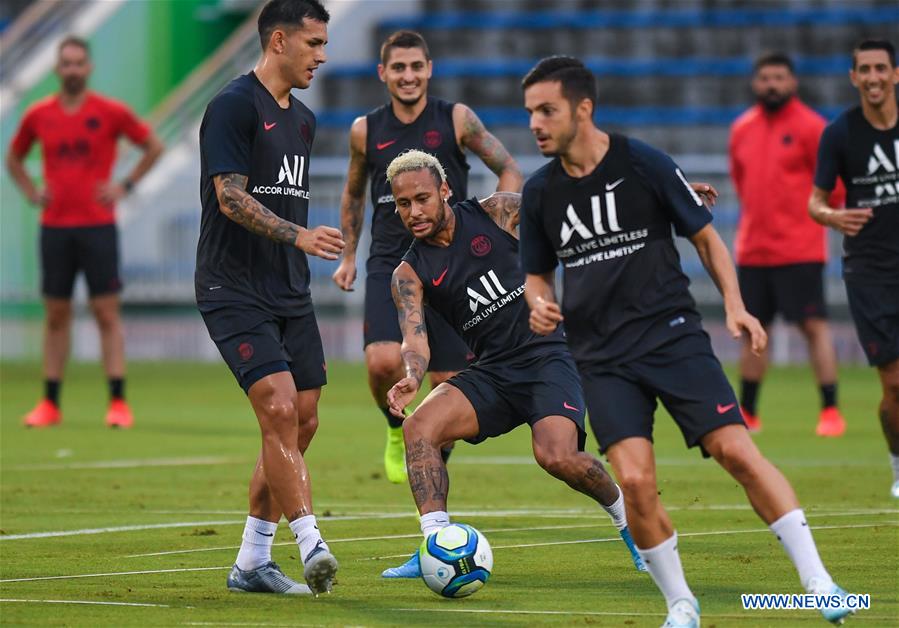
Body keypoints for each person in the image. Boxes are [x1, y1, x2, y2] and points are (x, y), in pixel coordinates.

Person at [518, 56, 851, 627]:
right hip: (600, 358)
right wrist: (539, 304)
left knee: (736, 453)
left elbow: (706, 239)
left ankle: (819, 581)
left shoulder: (643, 162)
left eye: (547, 110)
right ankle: (681, 603)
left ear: (583, 108)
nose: (535, 123)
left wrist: (736, 305)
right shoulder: (540, 192)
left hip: (672, 338)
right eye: (530, 113)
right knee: (636, 480)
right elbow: (537, 273)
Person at [378, 149, 644, 579]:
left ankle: (632, 523)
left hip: (548, 356)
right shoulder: (408, 273)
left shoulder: (496, 212)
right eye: (403, 204)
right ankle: (435, 544)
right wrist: (411, 374)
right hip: (494, 370)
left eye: (423, 198)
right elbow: (415, 339)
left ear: (445, 190)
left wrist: (671, 197)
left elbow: (570, 207)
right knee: (418, 427)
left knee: (557, 457)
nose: (415, 211)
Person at [331, 30, 523, 483]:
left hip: (451, 265)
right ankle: (397, 429)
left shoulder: (457, 119)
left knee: (447, 381)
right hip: (389, 260)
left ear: (429, 69)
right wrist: (348, 256)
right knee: (381, 362)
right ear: (383, 73)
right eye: (398, 67)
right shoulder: (365, 130)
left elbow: (508, 166)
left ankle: (432, 458)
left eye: (416, 66)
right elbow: (354, 193)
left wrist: (496, 228)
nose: (408, 75)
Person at [196, 0, 342, 595]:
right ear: (278, 40)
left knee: (300, 422)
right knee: (279, 410)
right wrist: (301, 235)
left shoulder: (303, 119)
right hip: (232, 287)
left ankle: (252, 561)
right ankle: (311, 541)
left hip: (289, 290)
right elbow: (230, 198)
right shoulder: (232, 105)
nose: (323, 55)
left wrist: (306, 244)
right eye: (313, 43)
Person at [7, 35, 163, 429]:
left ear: (88, 68)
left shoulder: (110, 112)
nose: (73, 69)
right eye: (67, 63)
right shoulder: (39, 114)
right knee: (56, 315)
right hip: (55, 227)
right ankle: (50, 403)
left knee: (106, 313)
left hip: (98, 227)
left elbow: (153, 147)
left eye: (79, 63)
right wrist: (31, 191)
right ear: (58, 70)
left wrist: (123, 187)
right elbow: (13, 157)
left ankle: (118, 402)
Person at [729, 52, 846, 436]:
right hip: (754, 249)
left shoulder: (813, 127)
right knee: (753, 330)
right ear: (755, 83)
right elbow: (742, 181)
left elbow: (834, 188)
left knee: (814, 327)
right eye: (765, 78)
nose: (772, 84)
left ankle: (830, 411)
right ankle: (748, 411)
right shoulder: (741, 129)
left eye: (779, 77)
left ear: (792, 82)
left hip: (799, 249)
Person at [809, 39, 899, 498]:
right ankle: (898, 461)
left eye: (881, 68)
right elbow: (815, 202)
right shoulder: (840, 134)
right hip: (871, 271)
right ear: (853, 77)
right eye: (864, 69)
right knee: (895, 383)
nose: (873, 77)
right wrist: (832, 216)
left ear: (896, 74)